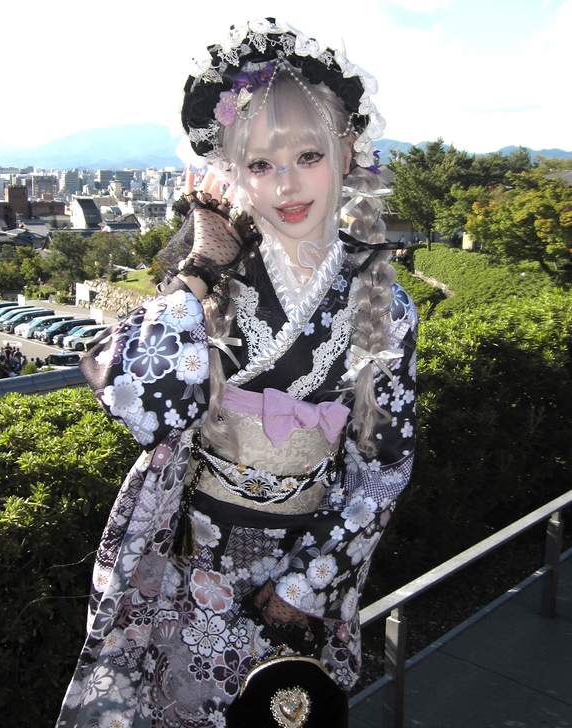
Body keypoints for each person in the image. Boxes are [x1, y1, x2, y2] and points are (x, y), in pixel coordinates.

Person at [56, 19, 417, 727]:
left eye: (308, 155)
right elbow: (146, 409)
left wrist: (309, 583)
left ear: (347, 151)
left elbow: (383, 462)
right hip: (198, 557)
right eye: (258, 163)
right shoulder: (209, 275)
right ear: (226, 170)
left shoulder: (379, 297)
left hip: (308, 554)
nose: (286, 184)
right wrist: (197, 269)